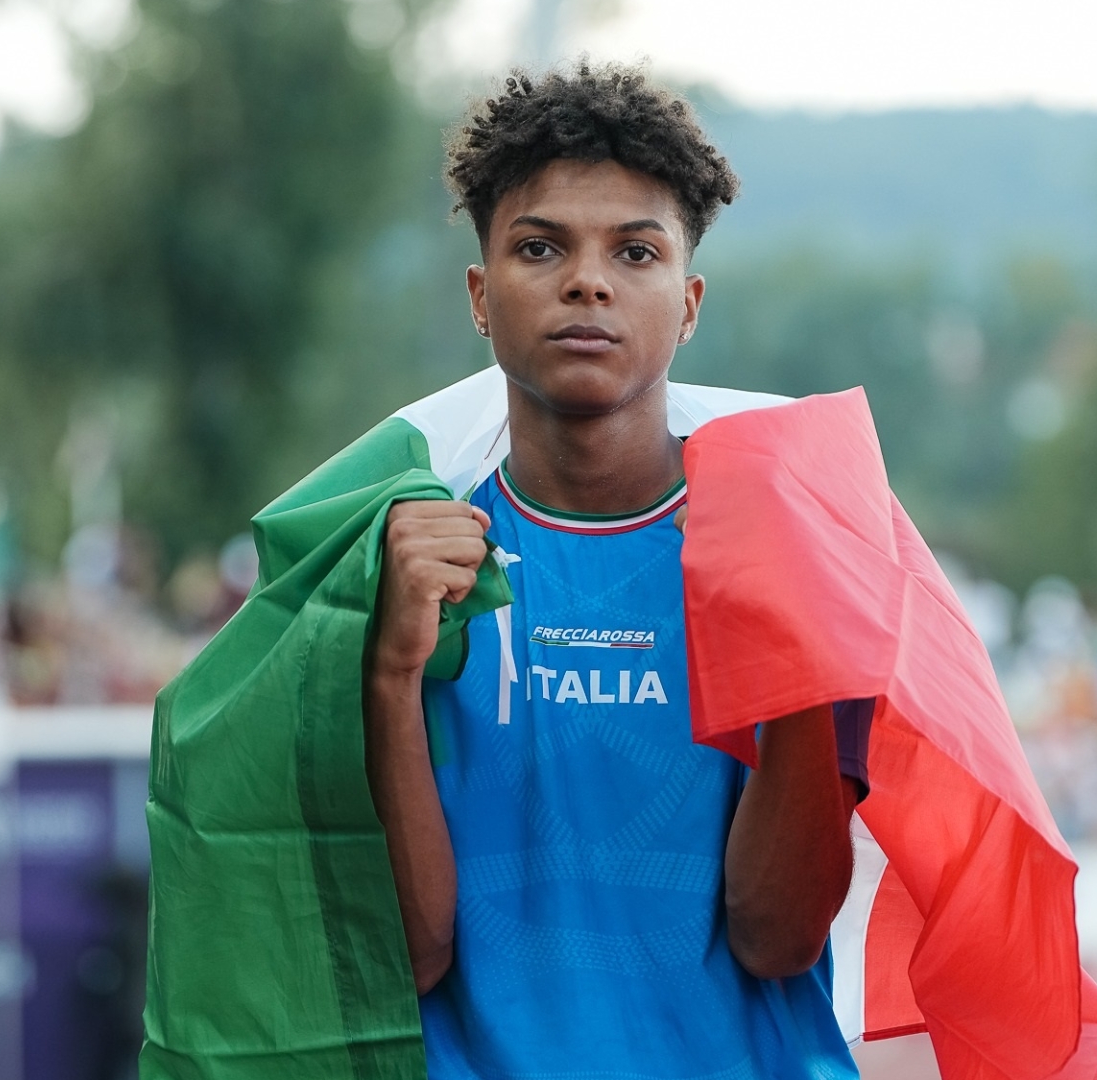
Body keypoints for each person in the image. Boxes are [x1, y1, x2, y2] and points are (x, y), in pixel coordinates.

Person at [363, 64, 866, 1079]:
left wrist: (804, 658)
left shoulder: (792, 555)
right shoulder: (404, 564)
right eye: (539, 246)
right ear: (480, 295)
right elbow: (411, 956)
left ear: (686, 304)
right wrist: (387, 672)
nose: (586, 280)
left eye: (633, 251)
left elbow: (780, 937)